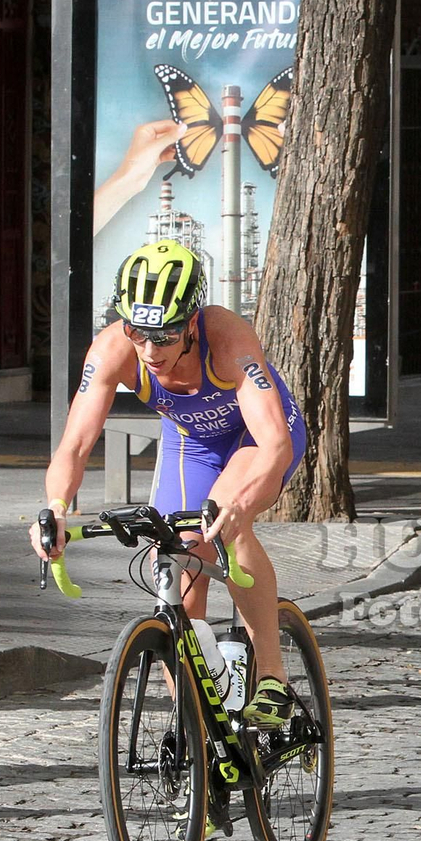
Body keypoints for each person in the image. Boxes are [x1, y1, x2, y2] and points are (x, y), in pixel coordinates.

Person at [28, 239, 307, 726]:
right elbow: (74, 445)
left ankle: (272, 676)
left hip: (257, 437)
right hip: (191, 442)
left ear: (192, 323)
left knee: (222, 520)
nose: (150, 350)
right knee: (176, 560)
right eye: (138, 332)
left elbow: (274, 444)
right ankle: (193, 724)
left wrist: (238, 505)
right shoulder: (112, 349)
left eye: (165, 335)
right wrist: (55, 506)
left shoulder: (227, 337)